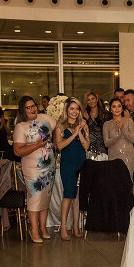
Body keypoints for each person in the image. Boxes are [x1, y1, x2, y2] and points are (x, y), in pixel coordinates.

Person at [12, 96, 60, 243]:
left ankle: (43, 227)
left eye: (33, 105)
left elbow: (57, 126)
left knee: (46, 197)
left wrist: (56, 143)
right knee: (35, 197)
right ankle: (33, 229)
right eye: (28, 107)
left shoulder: (44, 117)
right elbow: (17, 151)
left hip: (48, 164)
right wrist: (37, 146)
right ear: (23, 110)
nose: (32, 109)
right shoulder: (21, 127)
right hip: (32, 167)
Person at [55, 97, 90, 240]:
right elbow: (59, 146)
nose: (75, 112)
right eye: (72, 108)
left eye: (77, 109)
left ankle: (75, 226)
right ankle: (63, 227)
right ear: (66, 110)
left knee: (77, 196)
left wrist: (80, 132)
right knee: (68, 194)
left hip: (81, 162)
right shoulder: (60, 126)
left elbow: (87, 146)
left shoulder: (83, 125)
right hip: (67, 163)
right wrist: (74, 133)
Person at [103, 98, 134, 177]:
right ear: (110, 109)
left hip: (128, 156)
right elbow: (106, 143)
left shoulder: (129, 121)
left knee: (127, 181)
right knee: (114, 182)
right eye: (114, 106)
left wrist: (123, 129)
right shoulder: (107, 124)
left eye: (119, 106)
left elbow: (133, 139)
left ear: (122, 108)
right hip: (113, 157)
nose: (117, 109)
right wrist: (118, 134)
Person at [82, 91, 112, 160]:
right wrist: (85, 119)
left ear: (97, 99)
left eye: (93, 99)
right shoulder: (85, 114)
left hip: (103, 147)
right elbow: (84, 131)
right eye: (88, 100)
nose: (91, 101)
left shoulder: (105, 114)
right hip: (90, 147)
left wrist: (89, 119)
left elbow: (105, 131)